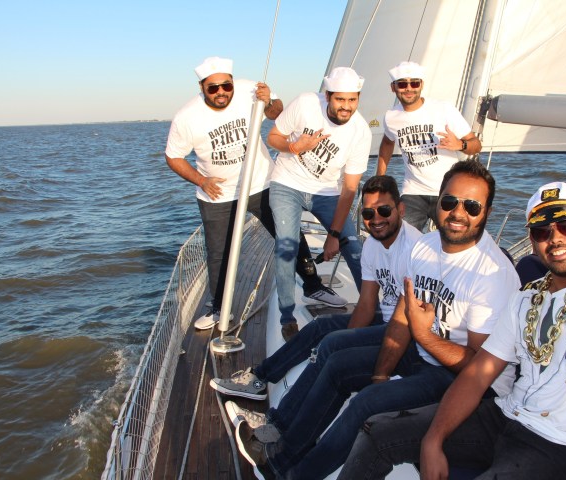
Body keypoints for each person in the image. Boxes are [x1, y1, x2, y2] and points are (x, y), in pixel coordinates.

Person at [338, 181, 566, 480]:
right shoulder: (524, 299)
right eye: (542, 230)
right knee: (377, 432)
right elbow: (480, 374)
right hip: (508, 416)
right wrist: (434, 438)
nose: (555, 237)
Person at [236, 160, 521, 480]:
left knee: (367, 404)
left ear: (487, 212)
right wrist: (381, 373)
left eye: (472, 206)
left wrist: (423, 336)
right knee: (338, 365)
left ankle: (295, 474)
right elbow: (401, 316)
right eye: (450, 201)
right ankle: (283, 453)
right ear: (437, 201)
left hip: (469, 383)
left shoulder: (491, 275)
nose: (458, 213)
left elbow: (478, 369)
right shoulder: (426, 247)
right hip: (423, 350)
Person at [165, 57, 345, 331]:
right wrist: (201, 180)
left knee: (290, 235)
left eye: (227, 85)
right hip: (218, 193)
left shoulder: (250, 90)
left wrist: (269, 100)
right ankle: (219, 307)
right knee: (218, 253)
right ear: (201, 87)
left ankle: (313, 286)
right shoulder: (186, 117)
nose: (222, 92)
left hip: (261, 182)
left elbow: (276, 113)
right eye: (213, 88)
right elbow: (173, 156)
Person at [209, 175, 422, 403]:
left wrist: (346, 344)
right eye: (369, 214)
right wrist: (349, 337)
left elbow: (407, 322)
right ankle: (260, 378)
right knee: (320, 326)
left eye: (385, 211)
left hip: (404, 331)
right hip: (385, 319)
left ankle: (280, 419)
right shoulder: (372, 244)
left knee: (331, 348)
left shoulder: (415, 250)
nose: (376, 219)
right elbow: (367, 304)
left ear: (401, 209)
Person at [266, 66, 372, 340]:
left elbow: (349, 188)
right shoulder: (305, 103)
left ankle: (371, 310)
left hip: (327, 192)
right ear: (328, 96)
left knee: (354, 246)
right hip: (287, 183)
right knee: (286, 245)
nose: (346, 107)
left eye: (352, 99)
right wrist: (294, 147)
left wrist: (334, 236)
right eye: (340, 99)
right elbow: (273, 137)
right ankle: (287, 316)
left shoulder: (361, 132)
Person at [376, 61, 482, 231]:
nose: (409, 88)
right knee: (399, 238)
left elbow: (476, 145)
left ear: (421, 85)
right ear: (393, 87)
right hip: (413, 192)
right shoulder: (391, 117)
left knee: (456, 239)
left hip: (448, 191)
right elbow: (387, 143)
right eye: (402, 84)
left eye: (414, 83)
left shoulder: (443, 109)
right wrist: (379, 178)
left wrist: (460, 144)